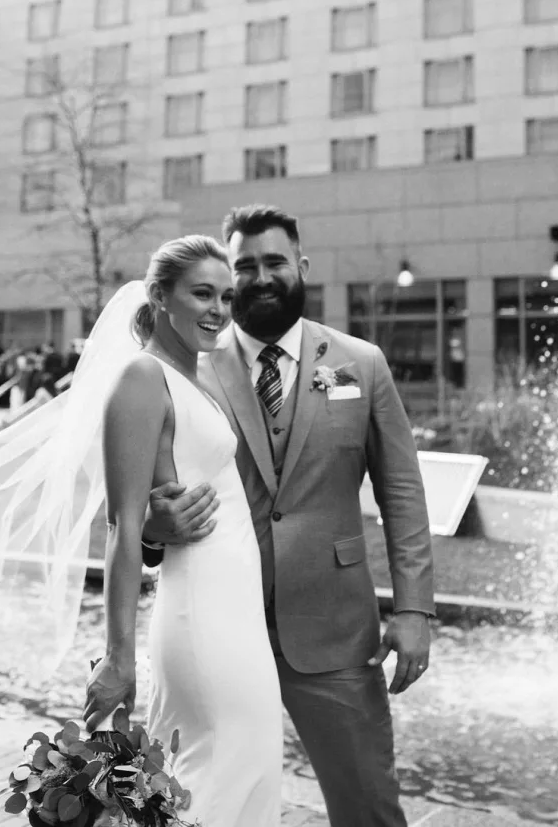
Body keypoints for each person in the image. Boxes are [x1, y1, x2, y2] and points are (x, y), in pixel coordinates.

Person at [140, 205, 435, 827]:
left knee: (369, 807)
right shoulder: (183, 369)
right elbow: (133, 487)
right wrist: (149, 529)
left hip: (333, 627)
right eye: (244, 265)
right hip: (217, 628)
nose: (260, 276)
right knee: (196, 800)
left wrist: (413, 608)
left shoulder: (363, 363)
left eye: (274, 261)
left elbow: (402, 493)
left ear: (300, 266)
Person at [82, 235, 282, 826]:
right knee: (218, 778)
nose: (219, 310)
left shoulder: (191, 376)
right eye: (202, 294)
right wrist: (118, 658)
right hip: (202, 617)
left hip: (235, 614)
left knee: (244, 773)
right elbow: (122, 525)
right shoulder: (142, 378)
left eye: (226, 296)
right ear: (159, 296)